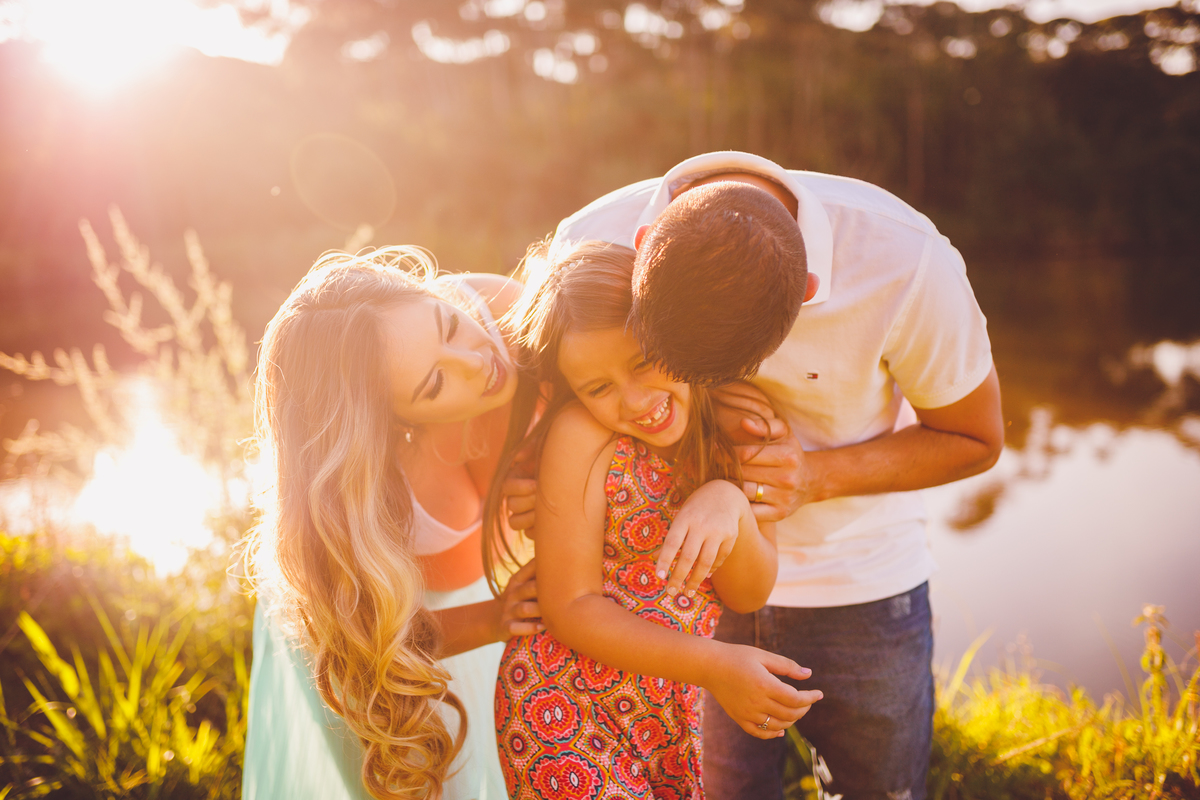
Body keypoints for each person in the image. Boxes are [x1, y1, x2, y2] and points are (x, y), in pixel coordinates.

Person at [550, 152, 1005, 800]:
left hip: (861, 586)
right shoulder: (588, 243)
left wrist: (813, 477)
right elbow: (539, 384)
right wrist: (526, 473)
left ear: (805, 294)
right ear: (642, 249)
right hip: (680, 596)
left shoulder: (904, 262)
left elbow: (976, 438)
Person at [486, 241, 823, 800]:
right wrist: (716, 666)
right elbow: (570, 609)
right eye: (598, 388)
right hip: (564, 706)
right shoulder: (582, 436)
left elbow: (748, 592)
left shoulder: (741, 422)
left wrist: (730, 502)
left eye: (642, 361)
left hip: (668, 713)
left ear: (676, 331)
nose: (635, 399)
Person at [242, 247, 544, 800]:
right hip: (391, 653)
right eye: (434, 384)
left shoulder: (506, 312)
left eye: (449, 326)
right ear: (389, 426)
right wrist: (500, 615)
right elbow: (370, 652)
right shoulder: (361, 503)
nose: (477, 363)